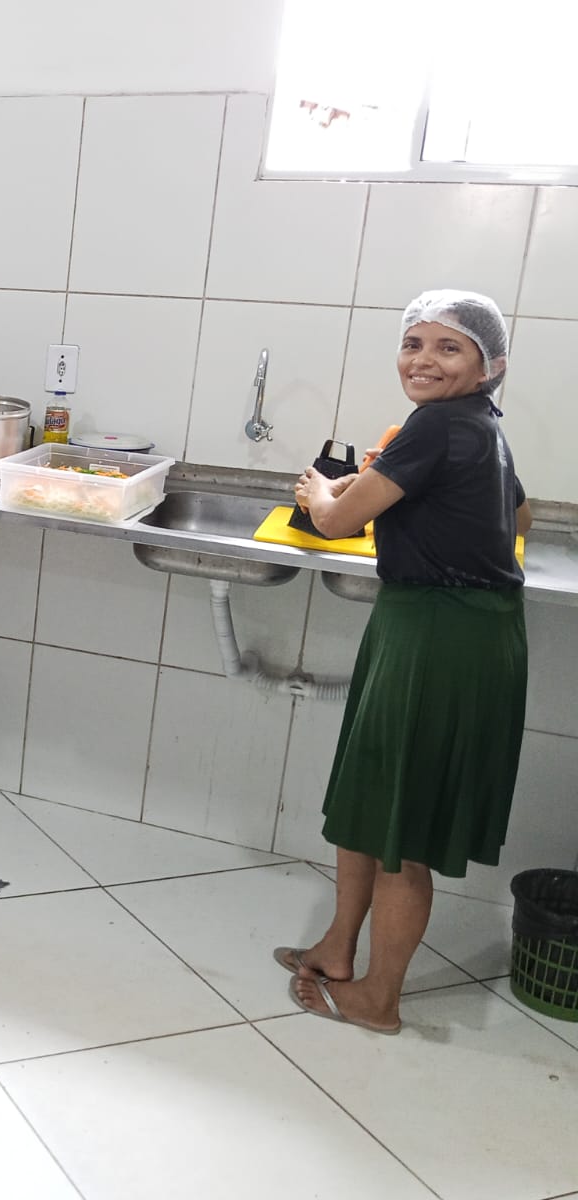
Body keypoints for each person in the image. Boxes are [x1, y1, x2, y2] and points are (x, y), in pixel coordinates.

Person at [278, 289, 532, 1034]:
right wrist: (410, 490)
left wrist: (320, 489)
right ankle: (337, 950)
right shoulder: (479, 423)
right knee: (370, 798)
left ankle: (379, 998)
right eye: (413, 343)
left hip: (441, 636)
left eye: (449, 347)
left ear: (489, 365)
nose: (423, 360)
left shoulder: (440, 424)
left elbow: (334, 521)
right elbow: (521, 514)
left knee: (403, 831)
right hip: (433, 625)